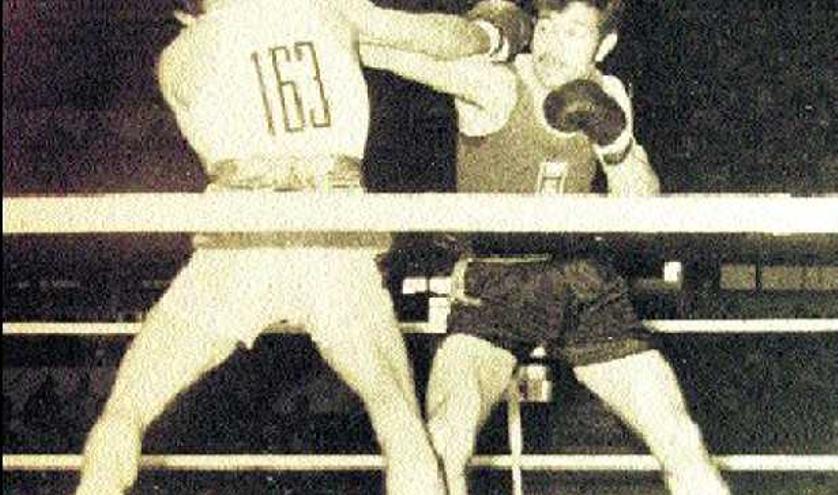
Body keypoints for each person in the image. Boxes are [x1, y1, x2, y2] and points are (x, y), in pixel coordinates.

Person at [74, 1, 531, 494]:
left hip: (238, 240)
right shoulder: (323, 6)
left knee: (126, 412)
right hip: (330, 231)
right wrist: (497, 31)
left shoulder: (181, 54)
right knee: (398, 419)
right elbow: (442, 40)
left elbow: (219, 96)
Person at [363, 1, 731, 493]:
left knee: (679, 436)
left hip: (581, 280)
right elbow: (395, 51)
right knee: (446, 436)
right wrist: (335, 20)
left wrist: (615, 141)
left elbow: (641, 205)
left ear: (605, 46)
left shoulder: (609, 92)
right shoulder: (495, 84)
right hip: (496, 282)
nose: (552, 46)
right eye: (546, 26)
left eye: (574, 32)